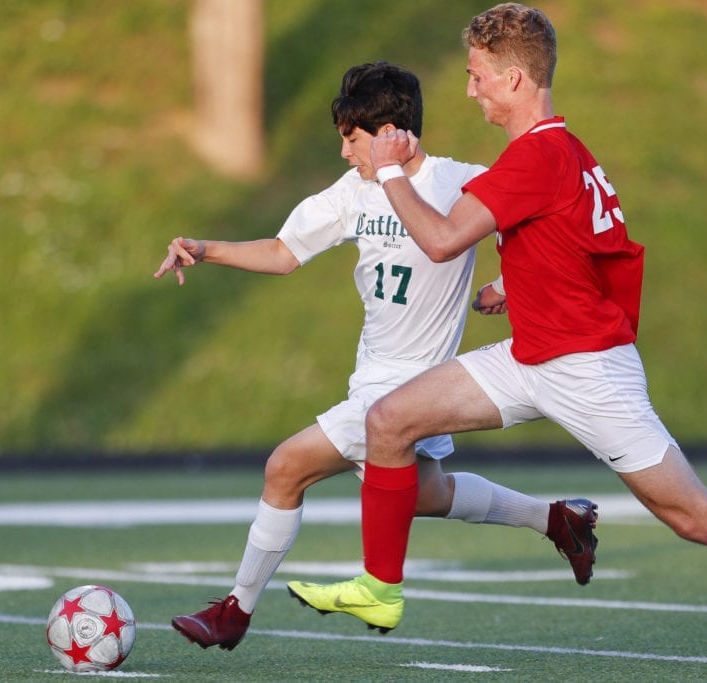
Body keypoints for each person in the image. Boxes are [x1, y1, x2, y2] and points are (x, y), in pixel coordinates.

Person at [283, 7, 707, 676]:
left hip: (588, 369)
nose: (469, 89)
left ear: (514, 79)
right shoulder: (562, 150)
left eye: (477, 75)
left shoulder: (538, 157)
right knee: (390, 419)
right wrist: (515, 290)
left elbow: (437, 239)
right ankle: (381, 586)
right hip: (531, 355)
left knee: (695, 516)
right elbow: (592, 246)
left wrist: (391, 169)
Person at [152, 61, 599, 651]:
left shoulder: (461, 182)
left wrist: (508, 288)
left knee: (285, 467)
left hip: (413, 391)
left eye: (352, 138)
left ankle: (235, 610)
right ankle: (557, 520)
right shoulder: (353, 192)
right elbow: (284, 252)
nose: (343, 151)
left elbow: (540, 238)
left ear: (391, 132)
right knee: (427, 496)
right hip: (374, 380)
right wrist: (205, 249)